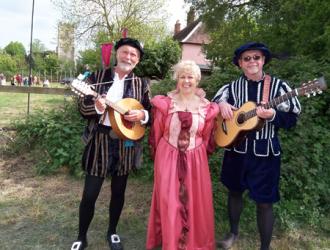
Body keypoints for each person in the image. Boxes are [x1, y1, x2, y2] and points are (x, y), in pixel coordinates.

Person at [212, 42, 301, 250]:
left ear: (263, 61)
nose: (252, 61)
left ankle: (264, 246)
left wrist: (273, 115)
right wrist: (221, 105)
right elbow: (212, 107)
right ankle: (233, 233)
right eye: (247, 58)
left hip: (265, 154)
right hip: (235, 151)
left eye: (256, 57)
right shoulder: (231, 87)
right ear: (240, 63)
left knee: (265, 202)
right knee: (234, 192)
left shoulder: (279, 87)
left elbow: (292, 120)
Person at [71, 37, 151, 250]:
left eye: (134, 55)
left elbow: (149, 112)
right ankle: (81, 237)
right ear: (117, 54)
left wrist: (141, 115)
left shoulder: (141, 83)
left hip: (125, 142)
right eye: (125, 52)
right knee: (90, 193)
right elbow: (82, 108)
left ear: (138, 60)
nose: (129, 57)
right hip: (99, 140)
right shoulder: (97, 78)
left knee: (118, 192)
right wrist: (97, 106)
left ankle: (112, 232)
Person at [146, 60, 219, 250]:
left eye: (190, 77)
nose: (186, 81)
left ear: (197, 80)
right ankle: (171, 243)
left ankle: (194, 243)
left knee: (196, 202)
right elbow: (157, 132)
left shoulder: (207, 108)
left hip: (196, 159)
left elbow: (207, 135)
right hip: (168, 156)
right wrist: (160, 157)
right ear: (177, 80)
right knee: (170, 201)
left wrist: (196, 154)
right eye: (182, 77)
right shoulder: (165, 103)